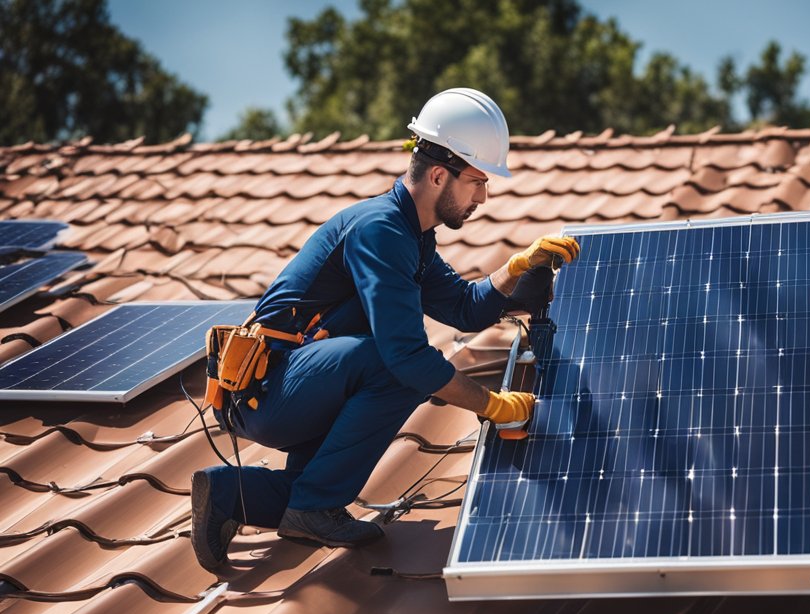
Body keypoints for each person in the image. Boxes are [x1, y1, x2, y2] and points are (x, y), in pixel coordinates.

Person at [190, 87, 580, 572]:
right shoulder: (380, 230)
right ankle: (314, 507)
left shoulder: (411, 238)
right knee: (400, 368)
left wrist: (516, 268)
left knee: (313, 482)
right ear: (439, 174)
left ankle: (232, 494)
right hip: (269, 393)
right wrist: (490, 405)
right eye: (478, 181)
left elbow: (463, 308)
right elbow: (406, 358)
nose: (483, 196)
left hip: (305, 389)